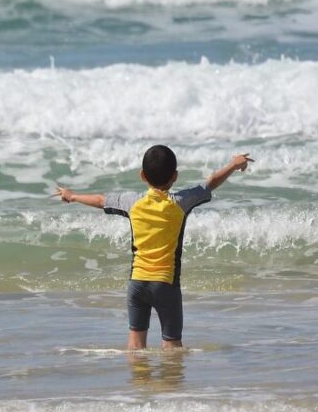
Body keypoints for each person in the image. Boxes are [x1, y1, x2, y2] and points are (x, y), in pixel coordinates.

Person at [53, 145, 253, 350]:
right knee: (172, 345)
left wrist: (72, 196)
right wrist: (234, 164)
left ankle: (139, 381)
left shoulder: (132, 202)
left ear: (142, 175)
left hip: (137, 284)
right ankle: (169, 381)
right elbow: (210, 183)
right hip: (165, 285)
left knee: (135, 345)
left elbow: (101, 200)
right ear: (174, 176)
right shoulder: (181, 202)